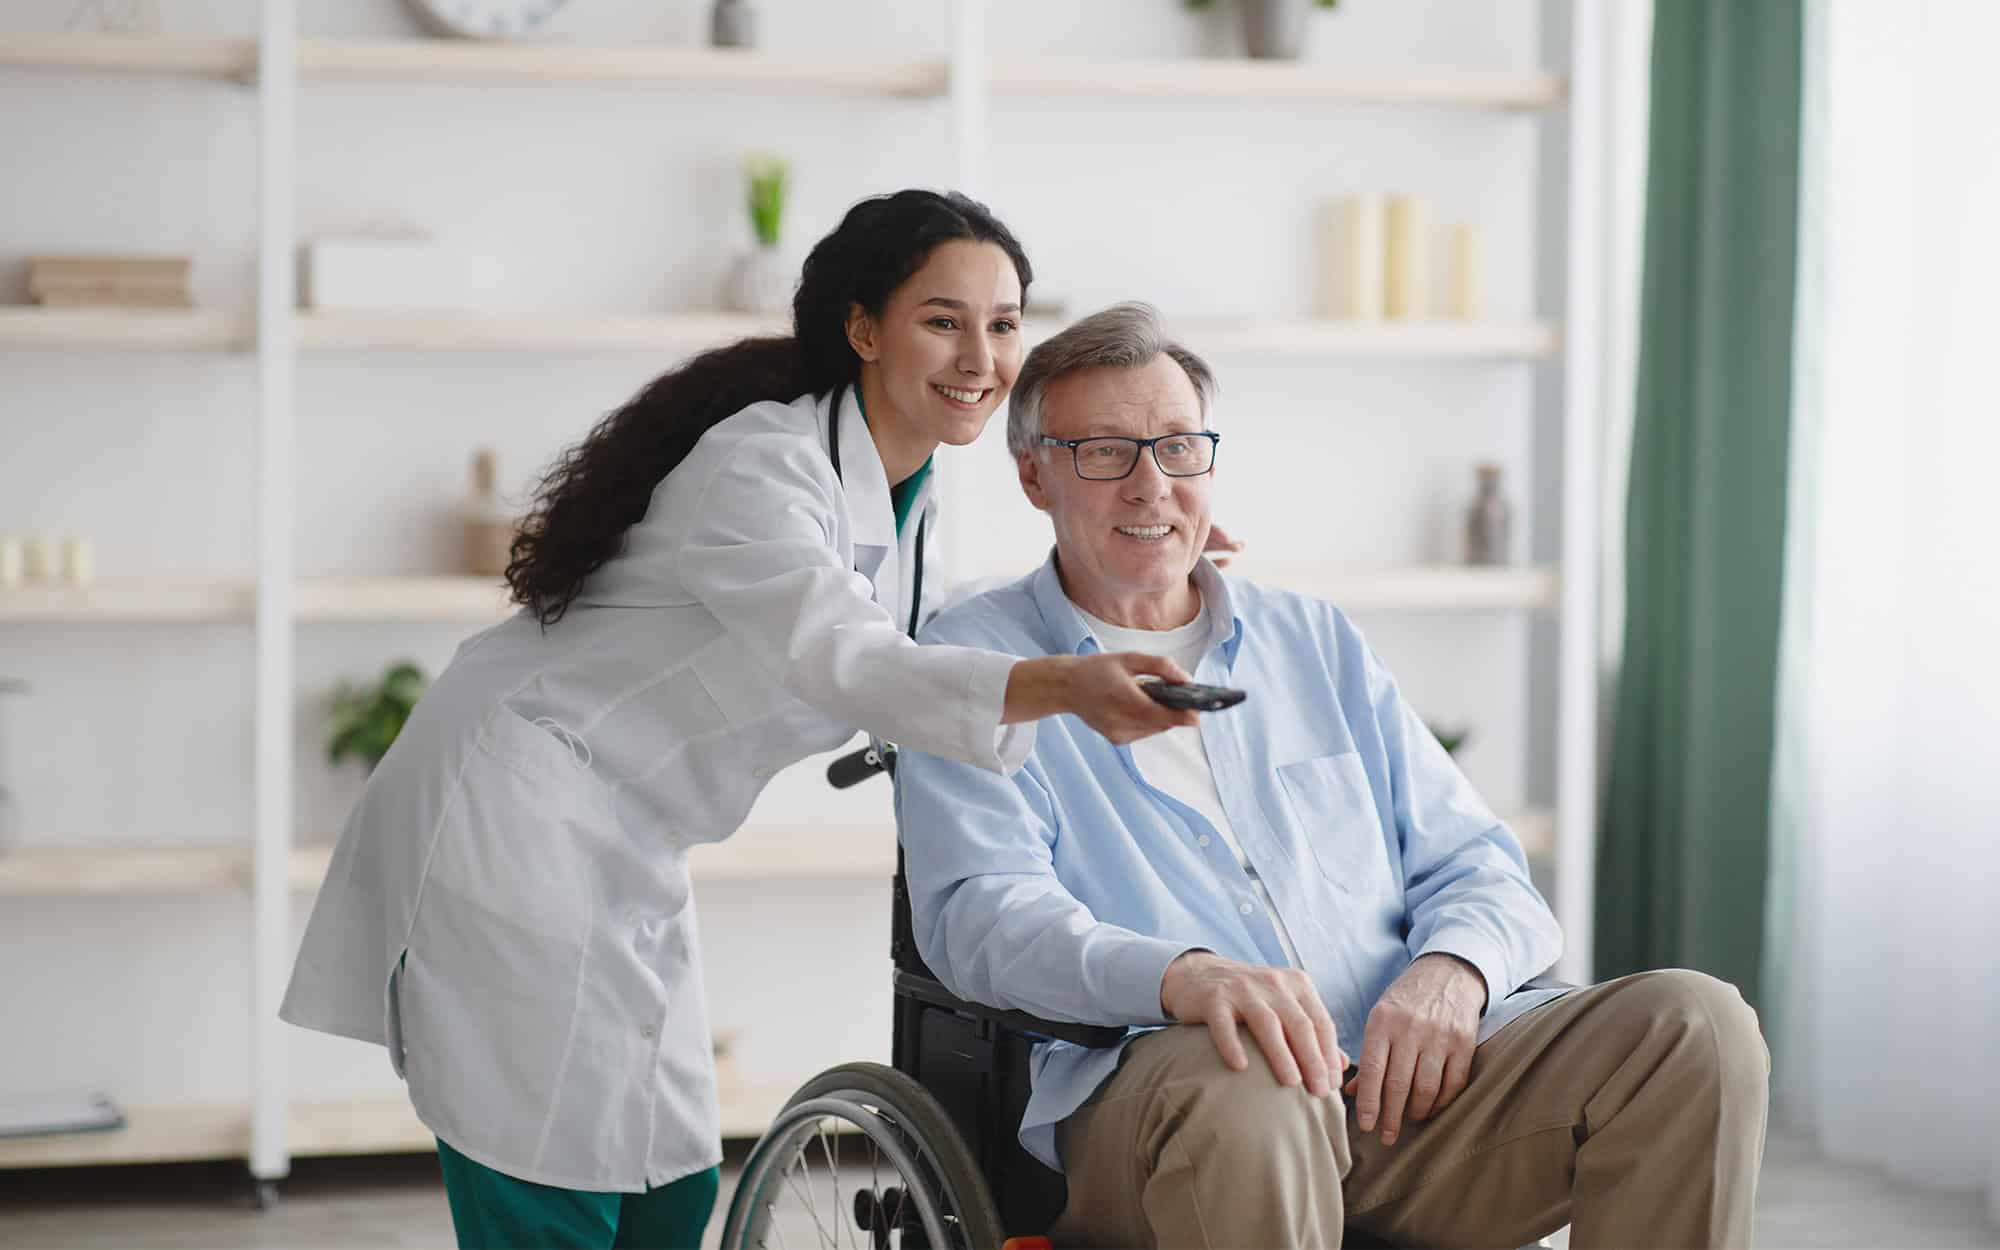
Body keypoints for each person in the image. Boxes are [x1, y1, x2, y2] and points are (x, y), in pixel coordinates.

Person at [279, 193, 1235, 1250]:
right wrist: (1059, 684)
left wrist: (1134, 534)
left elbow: (910, 622)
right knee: (548, 1172)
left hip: (626, 832)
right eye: (942, 319)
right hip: (514, 805)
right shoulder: (761, 465)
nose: (979, 354)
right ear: (863, 328)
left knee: (665, 1174)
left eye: (1004, 323)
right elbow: (844, 653)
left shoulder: (898, 487)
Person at [896, 302, 1771, 1249]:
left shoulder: (1310, 640)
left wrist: (1453, 972)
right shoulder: (979, 665)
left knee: (1694, 1027)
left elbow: (1477, 862)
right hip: (1169, 1106)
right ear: (1034, 474)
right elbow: (980, 916)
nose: (1151, 485)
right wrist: (1183, 979)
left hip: (1405, 1103)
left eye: (1179, 448)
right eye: (1105, 451)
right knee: (1250, 1075)